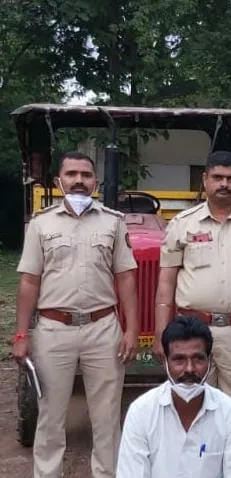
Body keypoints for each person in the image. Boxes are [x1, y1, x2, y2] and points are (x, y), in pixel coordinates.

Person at [12, 151, 139, 478]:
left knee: (107, 416)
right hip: (54, 331)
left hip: (103, 329)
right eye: (72, 174)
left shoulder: (113, 222)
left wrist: (131, 330)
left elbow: (126, 277)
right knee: (50, 415)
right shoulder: (41, 224)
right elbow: (29, 281)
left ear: (96, 182)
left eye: (86, 174)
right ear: (59, 181)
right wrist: (22, 334)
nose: (79, 180)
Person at [153, 150, 231, 420]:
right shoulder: (182, 224)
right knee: (192, 403)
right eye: (218, 177)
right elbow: (166, 282)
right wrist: (160, 333)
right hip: (193, 332)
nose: (224, 184)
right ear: (205, 180)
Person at [117, 316, 231, 478]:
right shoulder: (141, 412)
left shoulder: (230, 413)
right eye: (179, 360)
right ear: (165, 362)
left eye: (198, 359)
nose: (189, 369)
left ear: (210, 361)